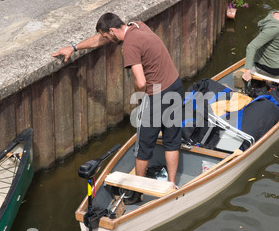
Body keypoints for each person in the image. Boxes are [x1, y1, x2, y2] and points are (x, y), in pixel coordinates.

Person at [52, 13, 183, 191]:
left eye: (107, 35)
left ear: (112, 31)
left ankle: (138, 192)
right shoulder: (137, 26)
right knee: (172, 140)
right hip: (175, 86)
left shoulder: (129, 46)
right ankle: (171, 185)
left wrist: (139, 98)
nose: (105, 39)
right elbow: (100, 39)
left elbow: (142, 82)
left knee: (143, 147)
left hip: (156, 95)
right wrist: (74, 47)